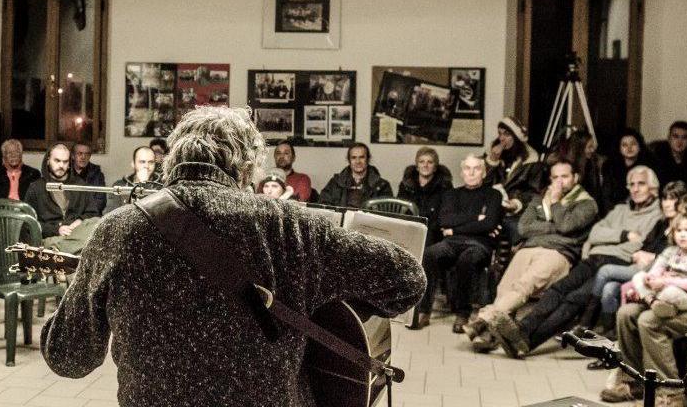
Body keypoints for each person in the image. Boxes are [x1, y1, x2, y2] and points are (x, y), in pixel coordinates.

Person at [41, 106, 426, 406]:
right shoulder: (291, 226)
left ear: (171, 162)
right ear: (247, 168)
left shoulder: (117, 230)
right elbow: (407, 281)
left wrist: (84, 291)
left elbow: (68, 357)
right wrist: (322, 298)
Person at [487, 166, 663, 359]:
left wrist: (613, 241)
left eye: (641, 184)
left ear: (652, 188)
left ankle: (527, 342)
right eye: (632, 184)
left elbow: (639, 246)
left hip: (616, 264)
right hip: (593, 258)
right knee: (558, 289)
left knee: (574, 299)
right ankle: (522, 330)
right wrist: (624, 235)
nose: (636, 189)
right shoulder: (620, 210)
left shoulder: (657, 216)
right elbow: (596, 233)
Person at [604, 180, 687, 407]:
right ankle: (636, 381)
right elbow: (667, 264)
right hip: (676, 296)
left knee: (649, 321)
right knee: (626, 313)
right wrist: (644, 287)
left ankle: (671, 394)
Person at [467, 158, 598, 351]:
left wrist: (555, 203)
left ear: (575, 177)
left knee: (524, 284)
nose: (559, 182)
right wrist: (553, 227)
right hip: (529, 248)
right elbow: (524, 227)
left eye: (565, 176)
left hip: (559, 253)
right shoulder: (541, 197)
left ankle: (483, 321)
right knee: (505, 287)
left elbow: (566, 225)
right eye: (555, 177)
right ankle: (494, 334)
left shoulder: (586, 203)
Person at [583, 181, 686, 337]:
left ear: (682, 201)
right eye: (665, 199)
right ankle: (609, 334)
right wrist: (638, 254)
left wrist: (652, 256)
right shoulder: (662, 223)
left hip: (655, 272)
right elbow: (644, 245)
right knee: (608, 289)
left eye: (672, 199)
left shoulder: (683, 227)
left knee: (605, 271)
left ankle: (585, 323)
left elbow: (676, 256)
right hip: (641, 266)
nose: (667, 204)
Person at [415, 155, 502, 332]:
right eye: (467, 168)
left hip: (479, 245)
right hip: (451, 243)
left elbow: (489, 224)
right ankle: (424, 311)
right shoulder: (451, 194)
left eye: (476, 168)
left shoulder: (493, 195)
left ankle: (463, 313)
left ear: (483, 172)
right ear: (462, 173)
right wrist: (476, 219)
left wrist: (455, 229)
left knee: (466, 260)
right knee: (429, 254)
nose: (471, 172)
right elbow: (444, 220)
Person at [625, 209, 687, 318]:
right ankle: (652, 301)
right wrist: (650, 278)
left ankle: (645, 299)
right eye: (678, 230)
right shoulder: (671, 251)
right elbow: (658, 268)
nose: (682, 235)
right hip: (663, 290)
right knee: (639, 276)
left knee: (669, 292)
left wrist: (665, 281)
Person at [482, 117, 544, 244]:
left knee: (518, 231)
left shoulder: (531, 160)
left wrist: (516, 202)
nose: (501, 139)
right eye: (499, 133)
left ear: (516, 137)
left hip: (518, 210)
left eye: (507, 134)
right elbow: (482, 183)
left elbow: (534, 192)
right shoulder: (492, 153)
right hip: (491, 207)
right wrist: (492, 161)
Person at [24, 144, 99, 239]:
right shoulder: (36, 188)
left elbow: (93, 214)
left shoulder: (79, 185)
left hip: (77, 234)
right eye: (57, 161)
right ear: (48, 161)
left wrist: (79, 221)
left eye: (65, 162)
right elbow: (28, 222)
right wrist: (56, 230)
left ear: (69, 163)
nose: (61, 165)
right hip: (49, 239)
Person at [397, 146, 453, 243]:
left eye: (430, 162)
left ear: (435, 167)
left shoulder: (445, 186)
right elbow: (400, 211)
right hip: (409, 229)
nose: (425, 165)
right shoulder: (405, 185)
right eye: (421, 162)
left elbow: (446, 215)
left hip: (434, 234)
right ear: (417, 166)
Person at [319, 143, 392, 209]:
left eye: (361, 157)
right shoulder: (335, 182)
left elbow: (387, 212)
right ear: (349, 160)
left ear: (368, 159)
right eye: (353, 157)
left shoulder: (382, 186)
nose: (358, 161)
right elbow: (323, 205)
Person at [600, 128, 655, 215]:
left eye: (633, 144)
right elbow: (606, 196)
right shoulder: (610, 166)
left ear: (639, 147)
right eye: (624, 145)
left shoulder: (648, 167)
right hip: (614, 212)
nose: (629, 148)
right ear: (619, 148)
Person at [104, 146, 161, 214]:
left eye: (151, 162)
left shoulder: (162, 187)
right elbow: (110, 214)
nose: (146, 166)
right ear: (133, 164)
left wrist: (144, 185)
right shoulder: (119, 185)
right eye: (142, 162)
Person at [72, 142, 107, 215]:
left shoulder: (97, 174)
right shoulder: (66, 172)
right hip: (69, 217)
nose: (83, 157)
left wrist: (82, 218)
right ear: (72, 156)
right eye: (79, 153)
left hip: (91, 218)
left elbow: (101, 202)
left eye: (87, 154)